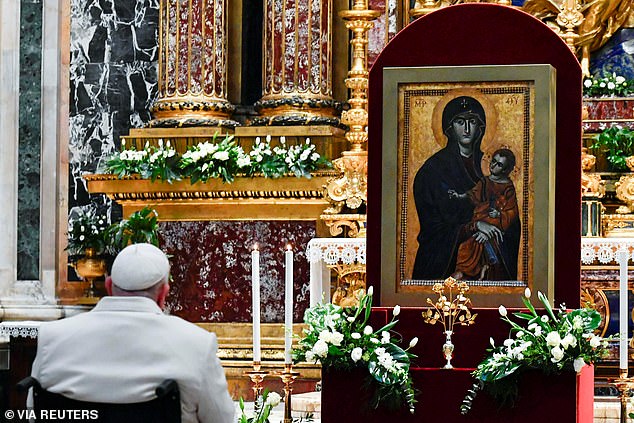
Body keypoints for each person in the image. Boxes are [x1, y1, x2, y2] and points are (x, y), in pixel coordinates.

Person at [29, 243, 235, 423]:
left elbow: (33, 413)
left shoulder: (52, 338)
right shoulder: (197, 345)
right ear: (163, 294)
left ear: (108, 286)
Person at [412, 95, 503, 280]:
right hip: (443, 260)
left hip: (486, 255)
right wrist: (473, 226)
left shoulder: (491, 165)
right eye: (460, 122)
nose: (467, 129)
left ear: (481, 127)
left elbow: (509, 212)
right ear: (450, 127)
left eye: (472, 122)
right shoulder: (433, 170)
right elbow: (432, 228)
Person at [449, 148, 521, 281]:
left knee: (481, 243)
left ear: (505, 170)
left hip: (496, 223)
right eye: (493, 161)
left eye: (499, 164)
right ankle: (472, 269)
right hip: (481, 218)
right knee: (466, 247)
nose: (493, 165)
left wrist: (499, 215)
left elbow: (511, 212)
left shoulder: (508, 188)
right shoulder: (485, 181)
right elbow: (472, 194)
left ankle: (482, 267)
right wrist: (459, 196)